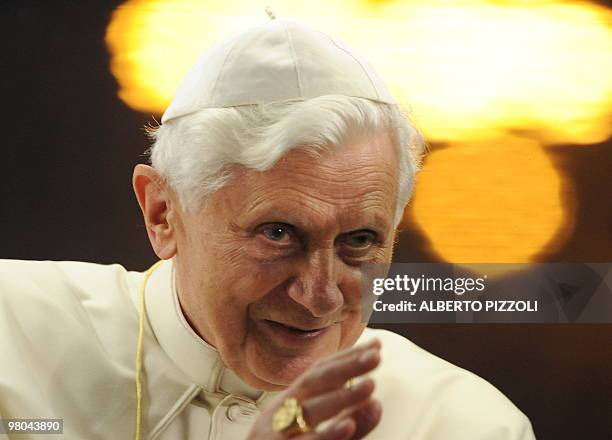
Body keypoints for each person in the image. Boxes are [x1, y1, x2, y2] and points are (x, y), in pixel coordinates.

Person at [0, 14, 535, 440]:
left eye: (360, 241)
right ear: (163, 212)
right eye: (278, 233)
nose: (320, 298)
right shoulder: (14, 337)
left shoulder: (462, 424)